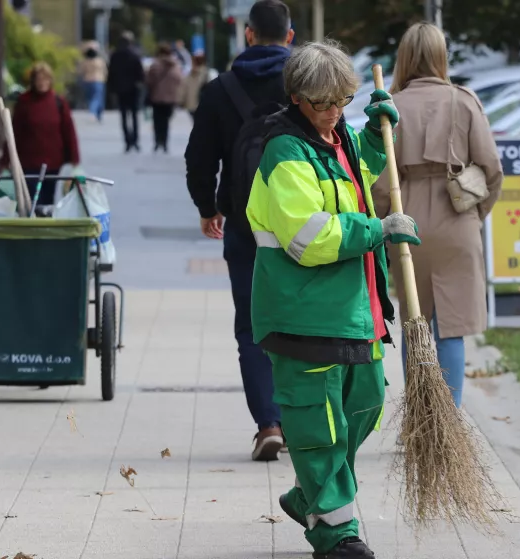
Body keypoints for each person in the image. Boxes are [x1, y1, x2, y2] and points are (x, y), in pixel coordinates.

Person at [246, 40, 419, 559]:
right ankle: (336, 535)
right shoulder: (284, 151)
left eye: (343, 102)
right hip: (302, 316)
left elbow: (354, 178)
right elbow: (309, 236)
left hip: (355, 312)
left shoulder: (337, 137)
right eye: (324, 104)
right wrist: (378, 229)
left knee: (363, 408)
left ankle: (309, 496)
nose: (334, 112)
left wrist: (371, 135)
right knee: (319, 431)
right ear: (297, 98)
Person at [183, 0, 295, 462]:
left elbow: (198, 159)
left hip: (246, 223)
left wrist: (208, 208)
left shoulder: (219, 90)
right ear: (289, 37)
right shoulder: (305, 82)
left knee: (252, 326)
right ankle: (306, 420)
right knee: (304, 322)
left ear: (248, 35)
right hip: (303, 221)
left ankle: (268, 424)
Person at [371, 22, 503, 409]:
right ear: (442, 55)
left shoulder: (389, 106)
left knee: (416, 325)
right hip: (456, 216)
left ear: (405, 58)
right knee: (452, 328)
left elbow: (379, 181)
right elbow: (491, 169)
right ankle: (449, 420)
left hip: (404, 218)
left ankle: (420, 418)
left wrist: (382, 224)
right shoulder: (463, 101)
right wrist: (476, 214)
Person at [0, 62, 80, 215]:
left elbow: (68, 131)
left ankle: (46, 231)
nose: (42, 83)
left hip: (53, 163)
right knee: (33, 202)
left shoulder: (58, 102)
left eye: (45, 79)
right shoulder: (24, 102)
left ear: (50, 81)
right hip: (29, 163)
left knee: (48, 201)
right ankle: (33, 231)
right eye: (39, 79)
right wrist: (5, 159)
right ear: (33, 81)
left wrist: (74, 159)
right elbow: (13, 132)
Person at [107, 31, 145, 152]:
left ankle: (127, 141)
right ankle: (135, 140)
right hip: (133, 89)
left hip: (120, 89)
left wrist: (111, 88)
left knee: (123, 116)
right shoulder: (135, 54)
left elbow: (111, 73)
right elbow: (140, 74)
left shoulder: (114, 55)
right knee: (134, 116)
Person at [146, 42, 184, 152]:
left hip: (156, 97)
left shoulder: (155, 65)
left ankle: (158, 141)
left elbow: (149, 81)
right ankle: (165, 142)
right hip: (171, 98)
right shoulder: (175, 65)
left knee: (157, 121)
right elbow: (179, 80)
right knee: (166, 121)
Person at [176, 49, 217, 119]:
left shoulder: (190, 74)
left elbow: (183, 88)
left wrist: (181, 101)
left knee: (196, 124)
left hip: (191, 105)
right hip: (204, 104)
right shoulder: (207, 73)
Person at [79, 42, 108, 122]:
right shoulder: (100, 61)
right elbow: (105, 71)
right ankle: (94, 112)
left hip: (87, 80)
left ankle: (96, 112)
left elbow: (81, 72)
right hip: (98, 80)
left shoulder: (84, 62)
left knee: (91, 97)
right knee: (97, 97)